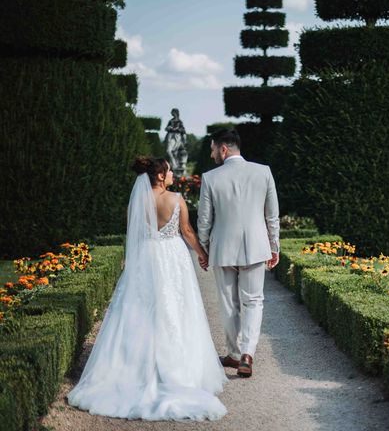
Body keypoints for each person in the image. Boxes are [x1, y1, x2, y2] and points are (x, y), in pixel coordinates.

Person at [67, 157, 227, 421]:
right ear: (161, 176)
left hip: (145, 257)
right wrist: (202, 253)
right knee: (175, 308)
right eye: (169, 170)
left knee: (139, 310)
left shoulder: (137, 201)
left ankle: (136, 365)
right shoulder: (176, 199)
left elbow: (134, 233)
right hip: (172, 258)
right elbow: (186, 230)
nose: (174, 173)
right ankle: (177, 368)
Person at [198, 128, 280, 378]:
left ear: (223, 149)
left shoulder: (210, 178)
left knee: (228, 303)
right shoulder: (263, 171)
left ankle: (234, 354)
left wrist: (204, 250)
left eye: (213, 149)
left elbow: (204, 221)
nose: (212, 154)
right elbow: (272, 215)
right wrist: (274, 246)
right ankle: (247, 354)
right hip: (256, 247)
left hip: (222, 248)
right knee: (253, 300)